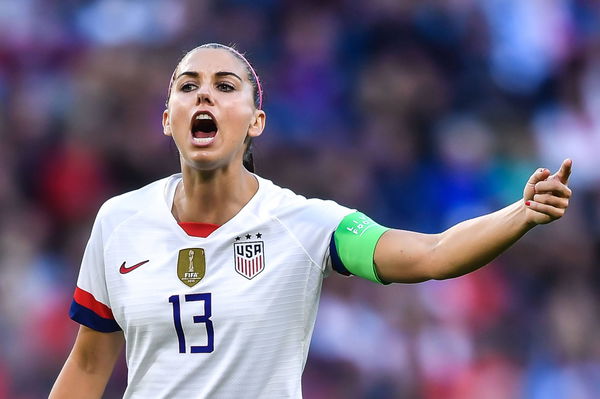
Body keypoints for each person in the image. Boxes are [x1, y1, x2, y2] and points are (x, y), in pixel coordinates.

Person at [49, 43, 573, 399]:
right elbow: (90, 363)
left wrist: (520, 214)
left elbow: (429, 255)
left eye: (225, 86)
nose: (204, 94)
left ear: (256, 122)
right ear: (168, 119)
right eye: (188, 86)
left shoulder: (306, 224)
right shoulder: (119, 221)